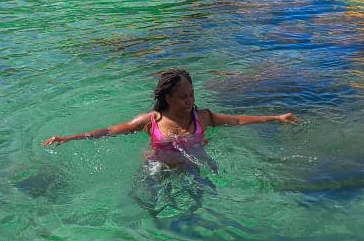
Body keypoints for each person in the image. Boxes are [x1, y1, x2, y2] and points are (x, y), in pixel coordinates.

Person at [43, 68, 298, 168]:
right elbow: (110, 130)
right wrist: (69, 138)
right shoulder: (150, 121)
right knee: (149, 205)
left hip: (192, 165)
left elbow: (237, 120)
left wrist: (276, 117)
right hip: (157, 167)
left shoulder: (203, 117)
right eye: (183, 97)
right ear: (168, 98)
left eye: (191, 95)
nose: (189, 101)